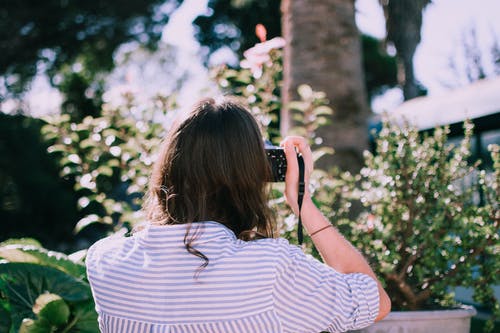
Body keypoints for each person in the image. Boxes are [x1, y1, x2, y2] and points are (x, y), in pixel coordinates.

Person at [86, 97, 391, 333]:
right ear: (251, 175)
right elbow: (375, 301)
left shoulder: (104, 261)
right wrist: (303, 204)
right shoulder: (270, 268)